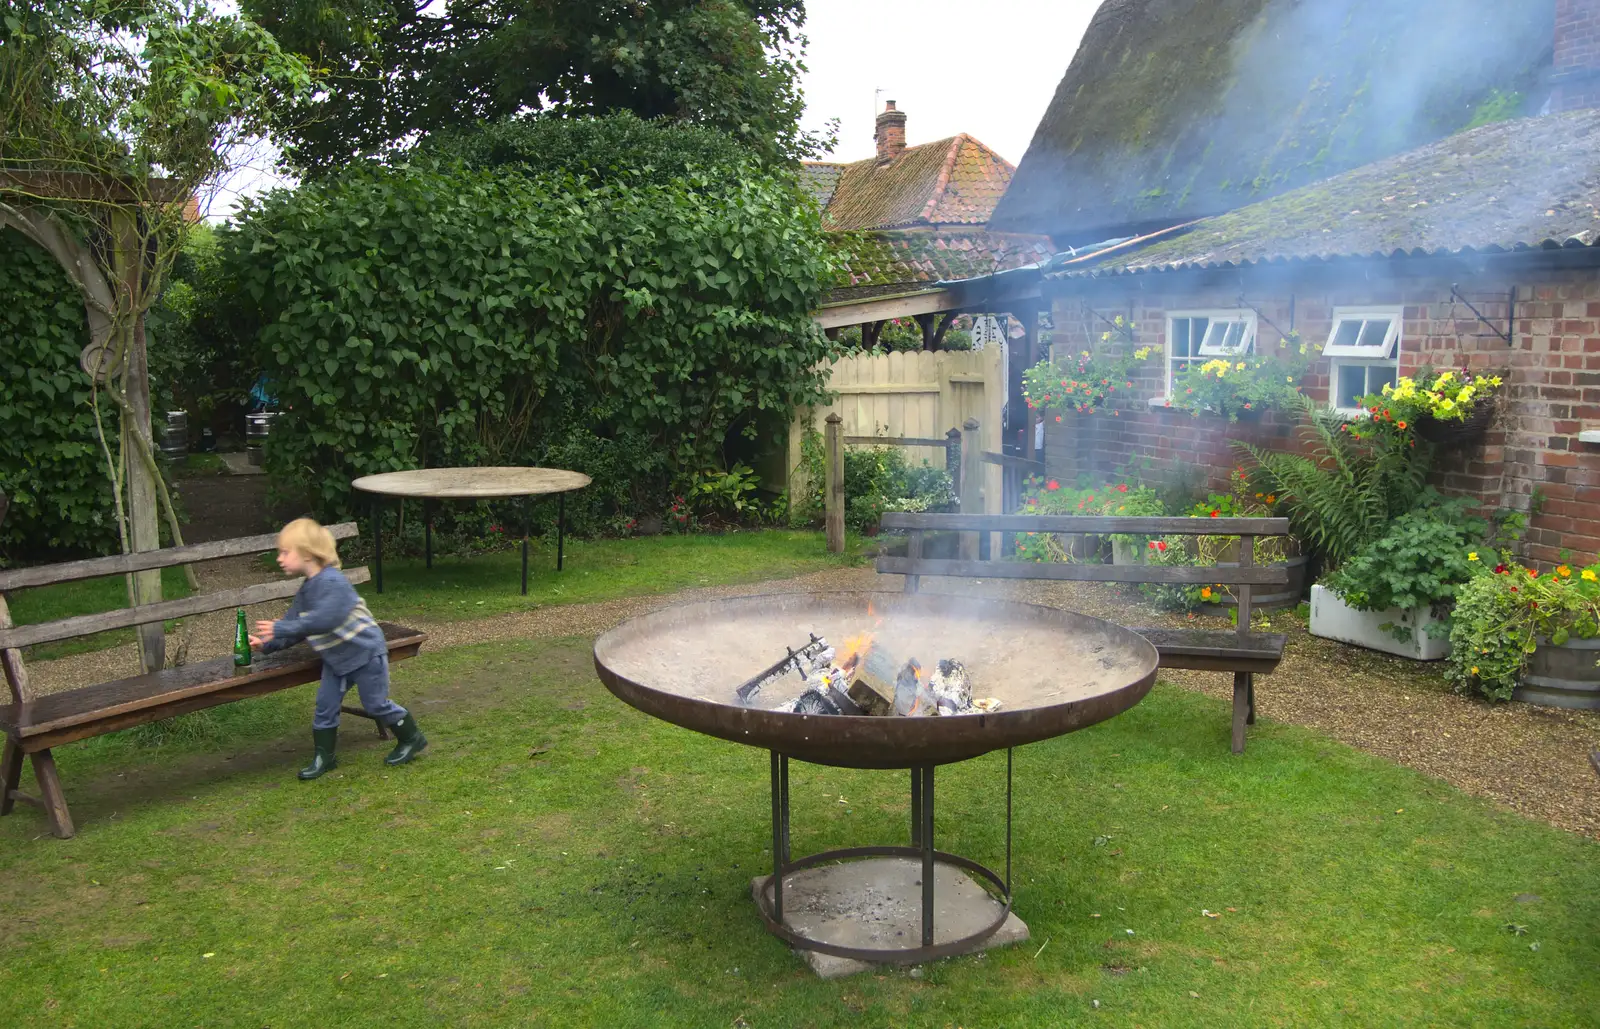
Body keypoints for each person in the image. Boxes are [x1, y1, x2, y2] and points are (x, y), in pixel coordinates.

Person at [250, 518, 427, 780]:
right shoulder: (307, 590)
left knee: (375, 704)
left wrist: (282, 629)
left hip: (365, 653)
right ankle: (325, 757)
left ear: (308, 553)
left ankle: (411, 738)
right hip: (336, 660)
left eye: (286, 552)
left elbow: (326, 618)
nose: (279, 558)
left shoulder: (334, 582)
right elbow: (295, 625)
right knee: (325, 705)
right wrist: (268, 644)